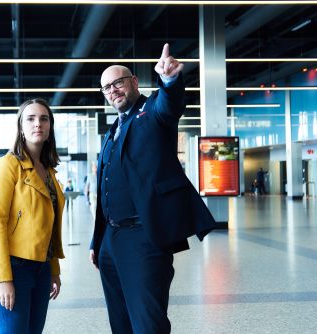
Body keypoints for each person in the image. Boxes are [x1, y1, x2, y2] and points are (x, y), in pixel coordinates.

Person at [89, 44, 217, 333]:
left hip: (143, 237)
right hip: (110, 239)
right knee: (119, 320)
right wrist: (97, 241)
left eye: (118, 82)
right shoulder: (114, 129)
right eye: (106, 87)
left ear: (134, 82)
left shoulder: (152, 112)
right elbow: (105, 187)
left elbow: (169, 105)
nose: (113, 90)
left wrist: (169, 81)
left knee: (148, 323)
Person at [0, 98, 65, 334]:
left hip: (41, 269)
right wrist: (3, 278)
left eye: (44, 119)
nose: (37, 123)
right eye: (30, 119)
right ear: (20, 127)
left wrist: (54, 269)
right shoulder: (7, 166)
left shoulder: (49, 171)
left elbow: (47, 225)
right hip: (14, 267)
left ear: (50, 127)